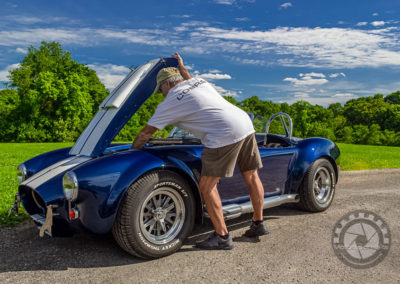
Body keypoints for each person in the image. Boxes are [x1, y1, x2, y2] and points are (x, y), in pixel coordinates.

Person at [131, 53, 268, 250]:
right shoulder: (198, 82)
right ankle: (258, 223)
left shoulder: (170, 101)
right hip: (245, 124)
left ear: (167, 85)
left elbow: (145, 134)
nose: (161, 94)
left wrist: (133, 153)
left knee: (207, 186)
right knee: (252, 176)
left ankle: (222, 237)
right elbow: (187, 75)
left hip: (224, 133)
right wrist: (182, 65)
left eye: (160, 89)